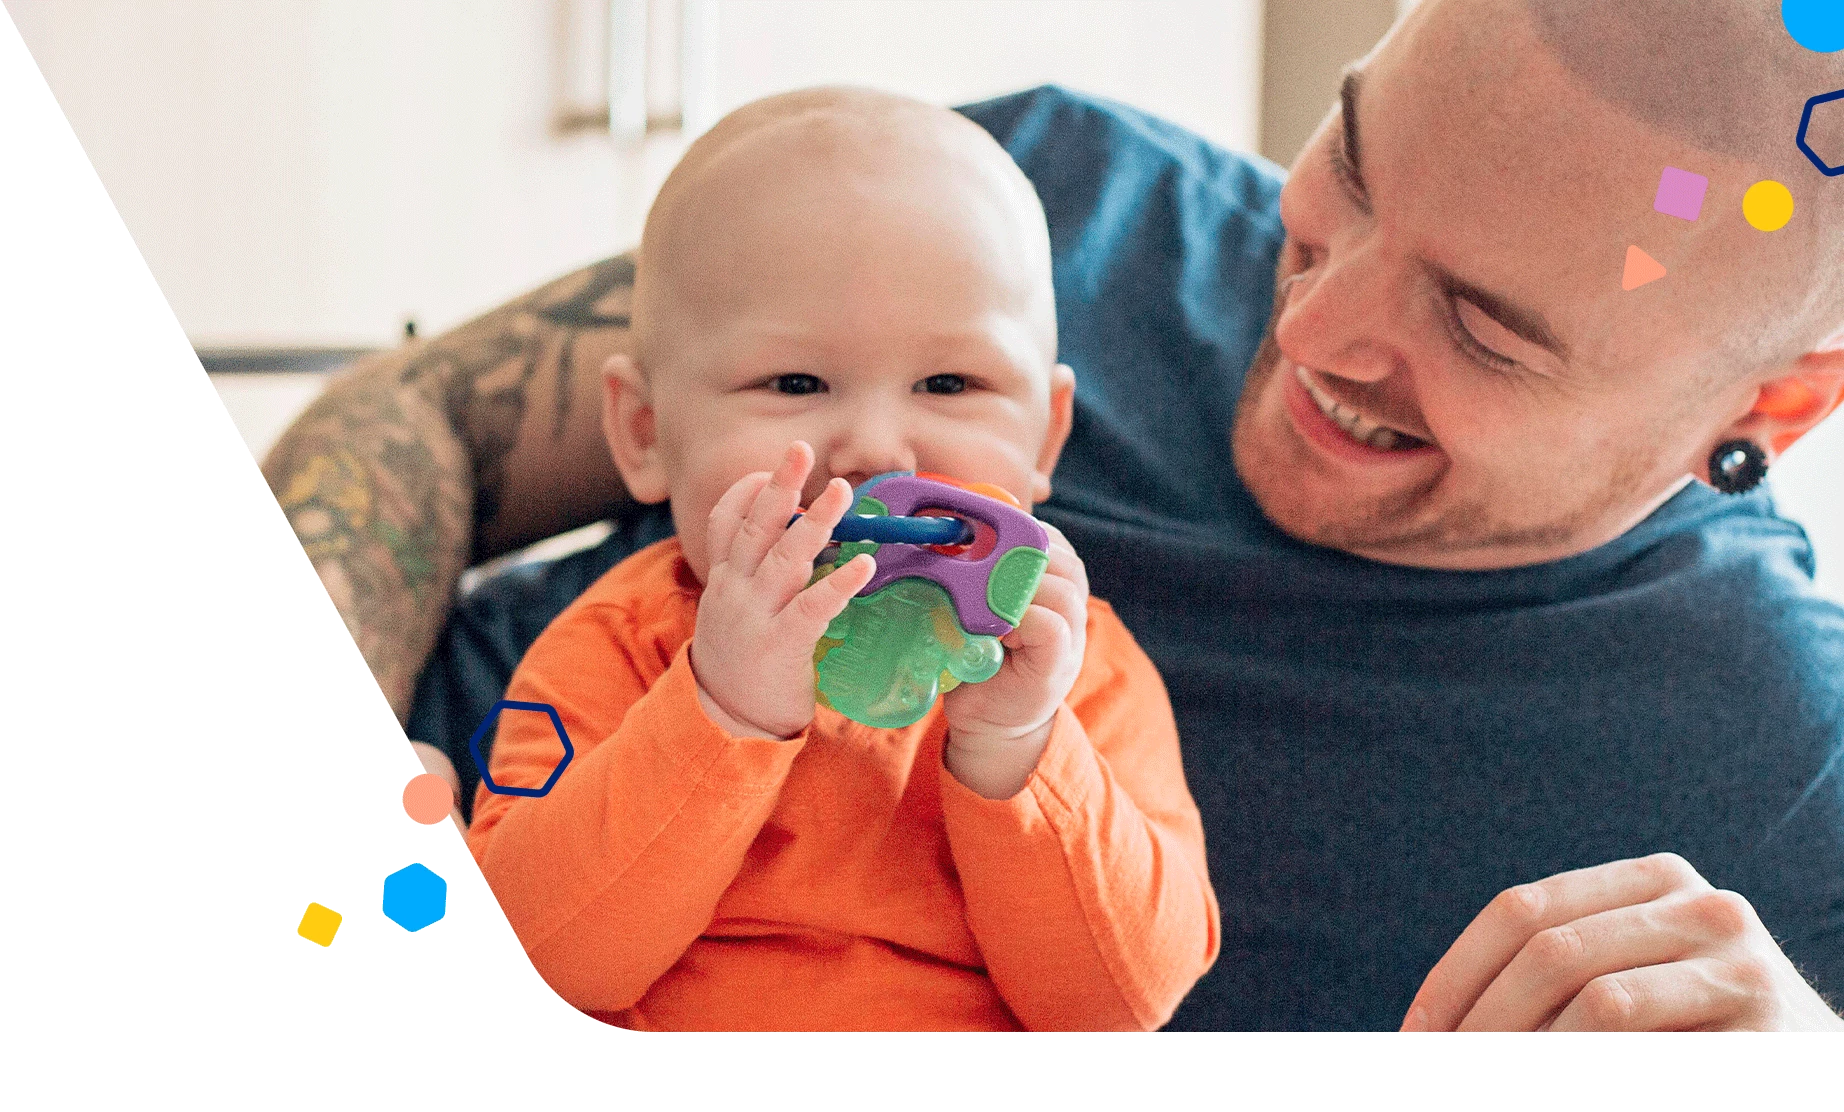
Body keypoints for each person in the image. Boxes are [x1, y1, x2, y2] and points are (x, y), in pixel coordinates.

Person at [267, 0, 1844, 1030]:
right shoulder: (1015, 207)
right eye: (1350, 169)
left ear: (1767, 408)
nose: (1309, 325)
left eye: (1485, 327)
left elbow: (1124, 972)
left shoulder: (1786, 769)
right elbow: (417, 419)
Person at [464, 89, 1218, 1031]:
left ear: (1045, 438)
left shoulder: (1077, 669)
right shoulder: (616, 650)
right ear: (647, 433)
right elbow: (549, 956)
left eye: (950, 382)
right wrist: (720, 711)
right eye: (795, 382)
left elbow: (1123, 1002)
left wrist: (1019, 753)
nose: (875, 451)